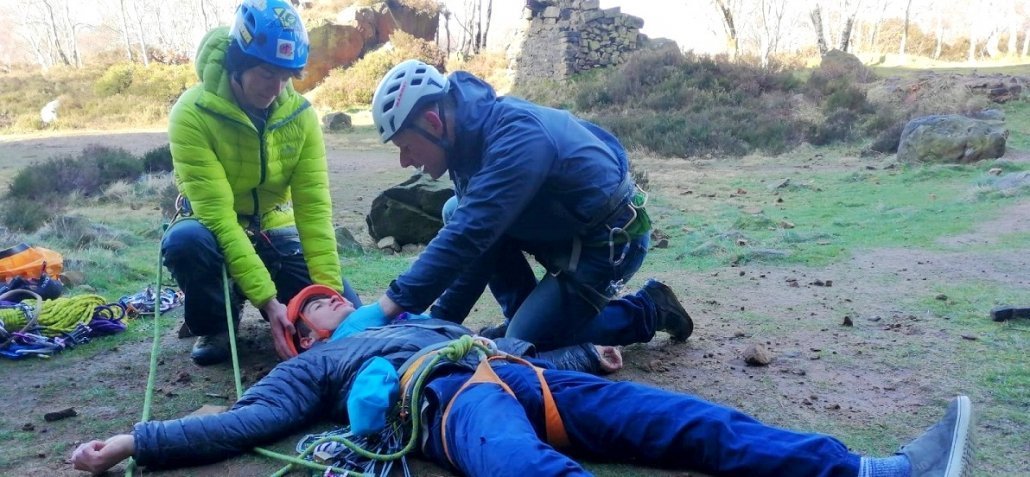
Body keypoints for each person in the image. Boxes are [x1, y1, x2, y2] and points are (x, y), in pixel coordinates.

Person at [70, 290, 973, 477]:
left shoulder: (411, 320)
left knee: (695, 422)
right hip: (449, 407)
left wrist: (587, 359)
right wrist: (135, 441)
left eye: (333, 298)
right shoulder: (309, 369)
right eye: (314, 311)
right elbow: (239, 421)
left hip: (524, 379)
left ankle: (875, 472)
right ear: (299, 336)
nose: (330, 308)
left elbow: (504, 343)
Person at [352, 58, 693, 351]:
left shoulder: (516, 135)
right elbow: (474, 242)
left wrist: (387, 308)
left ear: (432, 123)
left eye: (405, 146)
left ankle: (650, 309)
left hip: (607, 240)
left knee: (526, 344)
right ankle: (524, 315)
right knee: (455, 210)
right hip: (560, 226)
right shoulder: (466, 144)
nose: (404, 161)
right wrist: (438, 322)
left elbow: (470, 235)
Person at [160, 0, 360, 366]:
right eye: (267, 74)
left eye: (286, 76)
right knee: (186, 242)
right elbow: (219, 218)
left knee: (353, 318)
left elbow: (313, 210)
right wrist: (270, 305)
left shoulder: (299, 116)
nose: (277, 87)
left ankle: (269, 294)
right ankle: (217, 323)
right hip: (210, 228)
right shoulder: (191, 113)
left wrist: (326, 294)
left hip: (273, 230)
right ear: (239, 62)